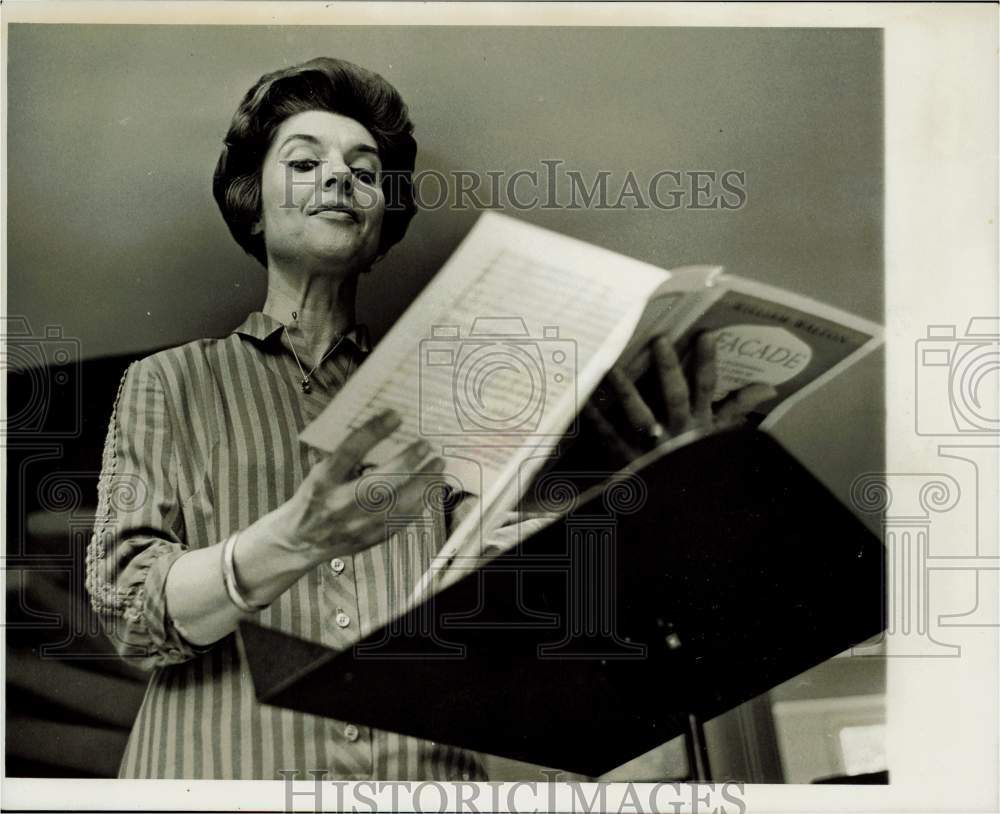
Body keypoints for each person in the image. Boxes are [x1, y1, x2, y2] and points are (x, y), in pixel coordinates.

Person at [86, 56, 774, 780]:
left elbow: (510, 599)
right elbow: (130, 615)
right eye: (303, 160)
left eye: (364, 168)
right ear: (250, 199)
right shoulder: (169, 381)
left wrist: (675, 478)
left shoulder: (458, 388)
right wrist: (289, 539)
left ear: (384, 219)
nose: (341, 177)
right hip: (222, 777)